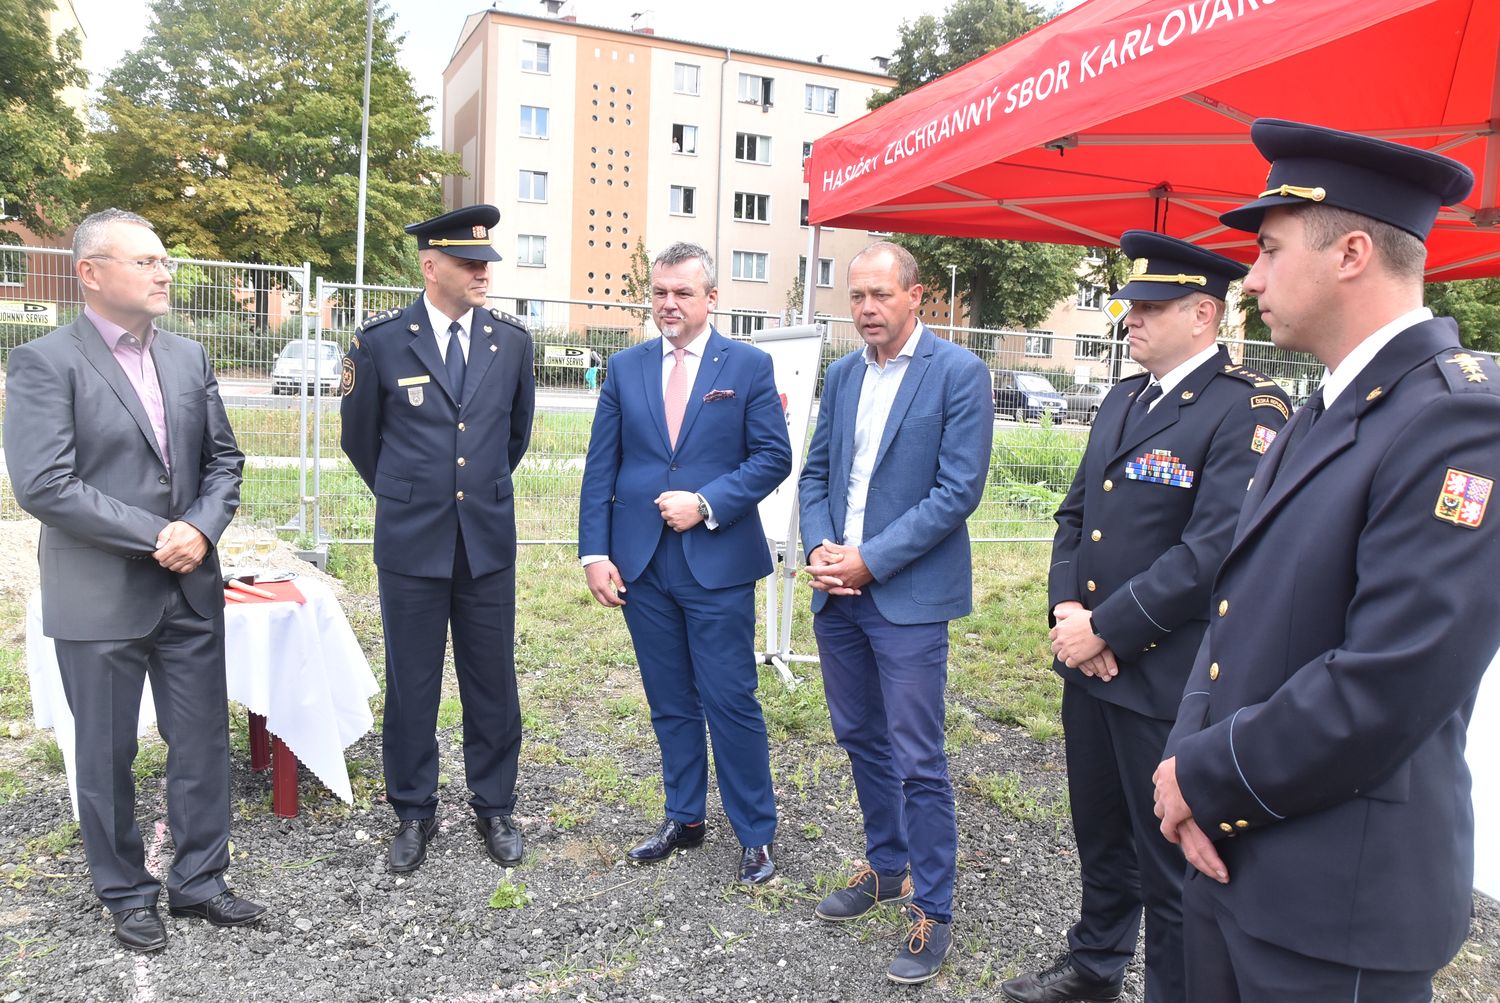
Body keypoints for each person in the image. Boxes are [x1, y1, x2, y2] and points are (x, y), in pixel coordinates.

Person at [1153, 119, 1498, 1002]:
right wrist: (1186, 769)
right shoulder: (1323, 408)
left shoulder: (1459, 422)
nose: (1251, 278)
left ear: (1351, 253)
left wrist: (1203, 776)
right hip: (1231, 855)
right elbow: (1235, 613)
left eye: (1269, 250)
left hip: (1335, 901)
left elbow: (1390, 680)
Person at [1003, 233, 1289, 1003]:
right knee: (1099, 831)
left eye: (1152, 307)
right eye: (1131, 305)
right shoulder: (1125, 397)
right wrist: (1069, 609)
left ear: (1204, 315)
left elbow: (1213, 550)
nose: (1132, 319)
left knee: (1167, 859)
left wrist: (1107, 627)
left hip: (1164, 675)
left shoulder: (1246, 408)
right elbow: (1075, 515)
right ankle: (1096, 963)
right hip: (1091, 665)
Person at [4, 208, 261, 951]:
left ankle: (201, 880)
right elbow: (44, 484)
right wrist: (159, 536)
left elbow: (223, 461)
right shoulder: (45, 362)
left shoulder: (187, 356)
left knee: (202, 742)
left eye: (164, 260)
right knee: (106, 752)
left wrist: (201, 529)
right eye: (145, 261)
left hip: (189, 584)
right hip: (100, 593)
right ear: (90, 273)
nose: (163, 272)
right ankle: (125, 891)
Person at [799, 241, 993, 984]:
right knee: (859, 736)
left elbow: (956, 491)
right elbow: (817, 472)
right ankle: (886, 866)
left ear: (917, 296)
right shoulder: (844, 374)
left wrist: (869, 559)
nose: (867, 308)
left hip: (904, 597)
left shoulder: (959, 373)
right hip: (837, 590)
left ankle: (933, 908)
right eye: (857, 296)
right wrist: (821, 546)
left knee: (918, 756)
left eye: (881, 294)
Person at [578, 242, 790, 885]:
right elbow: (602, 465)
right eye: (660, 292)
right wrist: (594, 552)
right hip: (641, 563)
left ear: (711, 298)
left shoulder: (748, 366)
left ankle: (755, 833)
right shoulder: (627, 367)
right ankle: (685, 816)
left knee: (730, 698)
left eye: (683, 293)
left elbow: (773, 457)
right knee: (669, 699)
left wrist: (705, 502)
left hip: (717, 563)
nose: (669, 304)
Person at [340, 204, 536, 873]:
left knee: (492, 679)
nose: (483, 272)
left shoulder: (511, 343)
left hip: (485, 540)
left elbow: (513, 437)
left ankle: (495, 805)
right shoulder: (381, 343)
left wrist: (470, 493)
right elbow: (361, 440)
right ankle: (413, 811)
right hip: (411, 542)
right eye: (467, 262)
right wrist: (412, 494)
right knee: (412, 682)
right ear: (430, 266)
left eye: (486, 262)